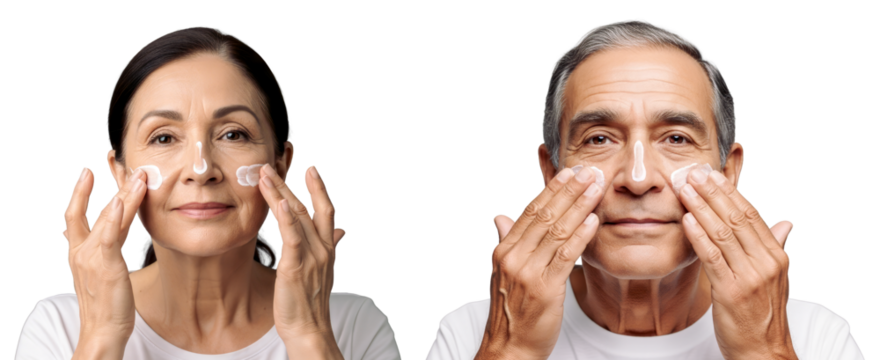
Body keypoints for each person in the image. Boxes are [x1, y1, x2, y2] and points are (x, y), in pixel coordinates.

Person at [424, 18, 865, 360]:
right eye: (598, 138)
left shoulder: (816, 336)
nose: (637, 179)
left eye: (676, 138)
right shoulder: (471, 333)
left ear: (728, 173)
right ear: (552, 172)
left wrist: (763, 351)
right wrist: (510, 350)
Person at [16, 26, 402, 359]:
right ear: (120, 171)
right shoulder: (60, 327)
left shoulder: (355, 326)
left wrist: (310, 336)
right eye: (164, 137)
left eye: (233, 134)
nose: (201, 171)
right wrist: (102, 335)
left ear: (282, 162)